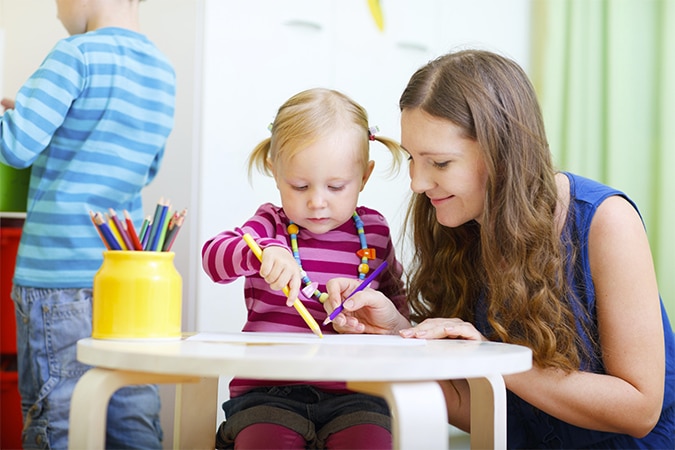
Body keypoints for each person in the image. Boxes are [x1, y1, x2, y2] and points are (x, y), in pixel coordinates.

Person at [324, 49, 675, 449]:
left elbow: (640, 410)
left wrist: (490, 358)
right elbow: (484, 411)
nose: (417, 183)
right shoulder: (455, 224)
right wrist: (399, 336)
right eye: (412, 159)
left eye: (439, 163)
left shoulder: (605, 221)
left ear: (501, 152)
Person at [0, 0, 176, 448]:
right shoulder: (162, 71)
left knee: (59, 418)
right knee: (131, 416)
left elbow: (17, 146)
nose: (57, 9)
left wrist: (14, 119)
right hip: (126, 279)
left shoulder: (74, 54)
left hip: (57, 278)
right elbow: (145, 168)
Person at [201, 87, 407, 449]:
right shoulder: (270, 225)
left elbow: (397, 308)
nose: (316, 201)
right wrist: (260, 254)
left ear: (365, 176)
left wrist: (388, 332)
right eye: (299, 185)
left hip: (357, 392)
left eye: (336, 186)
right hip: (268, 392)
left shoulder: (373, 231)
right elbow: (213, 258)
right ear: (275, 171)